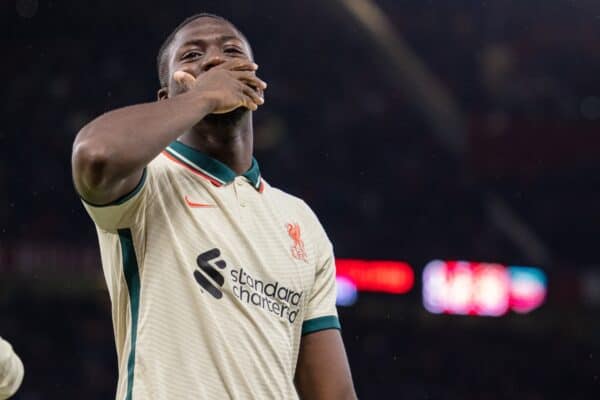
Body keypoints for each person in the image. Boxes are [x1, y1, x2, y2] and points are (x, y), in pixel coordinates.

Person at [71, 13, 356, 400]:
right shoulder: (148, 181)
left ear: (256, 83)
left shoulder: (300, 220)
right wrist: (203, 97)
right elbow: (95, 154)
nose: (214, 61)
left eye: (232, 51)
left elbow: (332, 393)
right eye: (191, 56)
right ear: (166, 98)